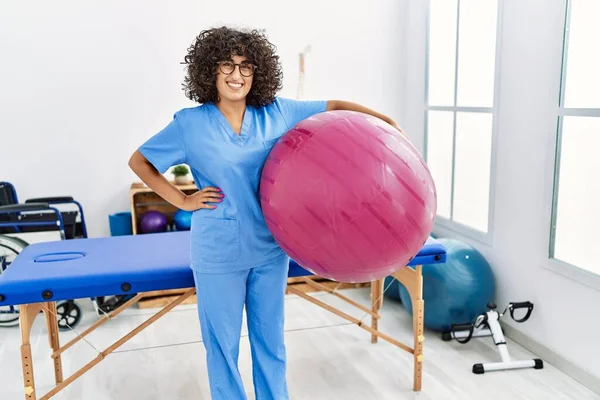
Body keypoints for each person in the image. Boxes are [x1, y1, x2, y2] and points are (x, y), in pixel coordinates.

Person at [128, 26, 405, 400]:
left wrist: (385, 122)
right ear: (210, 70)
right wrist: (183, 200)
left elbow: (336, 108)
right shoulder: (189, 124)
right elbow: (141, 161)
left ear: (257, 73)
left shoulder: (277, 112)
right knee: (223, 348)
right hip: (218, 251)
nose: (236, 75)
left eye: (246, 66)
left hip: (269, 249)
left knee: (270, 343)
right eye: (227, 65)